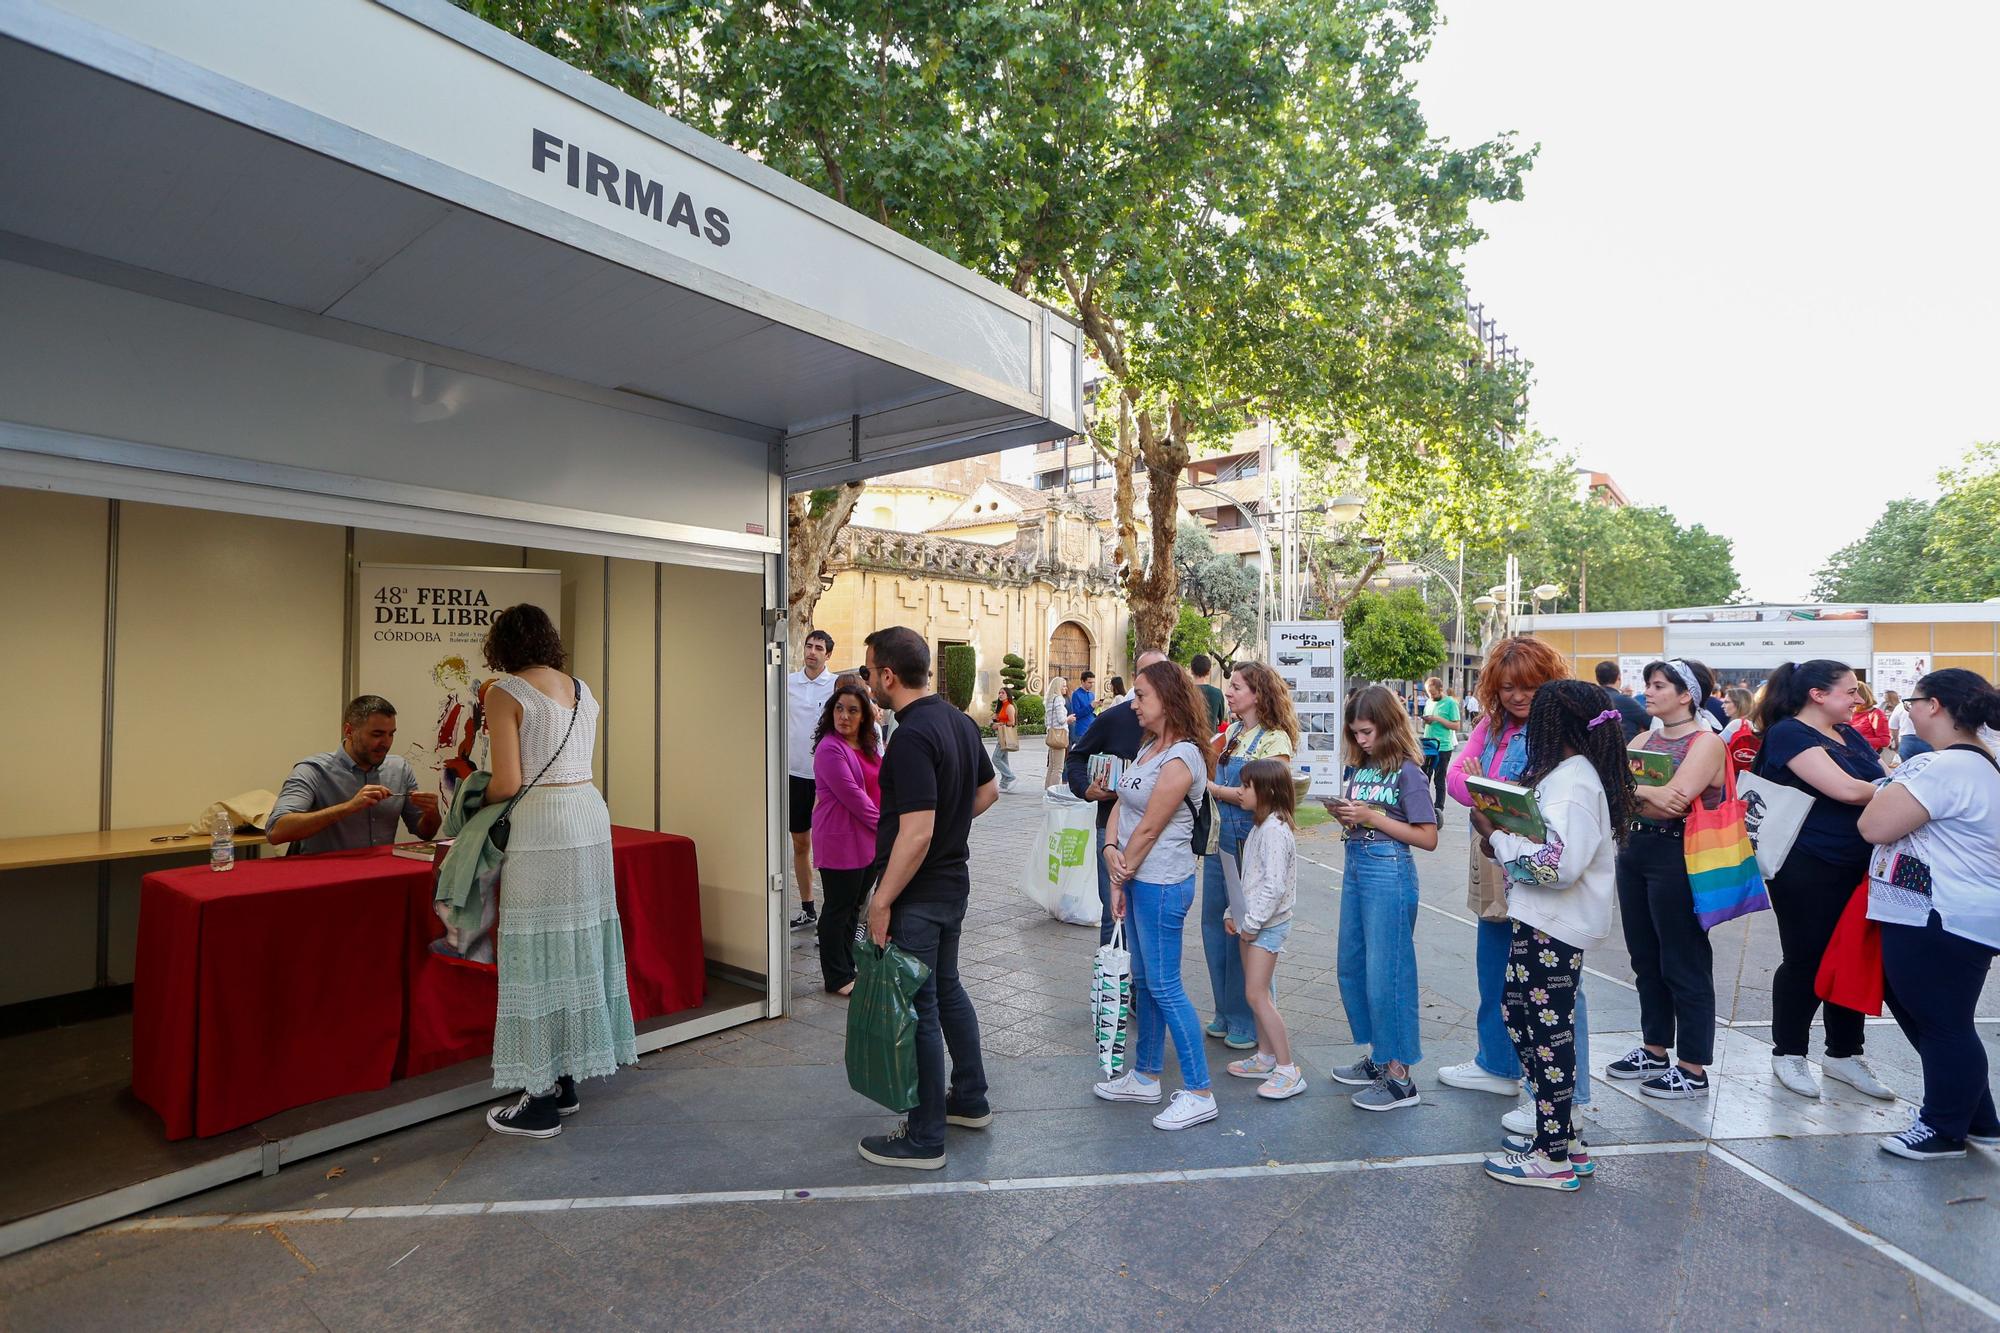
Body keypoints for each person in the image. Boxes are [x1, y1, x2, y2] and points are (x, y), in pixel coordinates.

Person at [477, 604, 635, 1138]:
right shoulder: (584, 690)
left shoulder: (504, 693)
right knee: (576, 942)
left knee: (537, 950)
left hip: (542, 823)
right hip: (589, 814)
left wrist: (470, 801)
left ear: (502, 646)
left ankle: (540, 1097)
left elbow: (505, 782)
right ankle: (566, 1080)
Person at [1474, 680, 1634, 1190]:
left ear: (1553, 726)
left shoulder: (1574, 783)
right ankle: (1563, 1138)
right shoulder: (1569, 776)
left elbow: (1556, 866)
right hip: (1542, 920)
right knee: (1520, 1015)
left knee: (1546, 1033)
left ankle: (1552, 1156)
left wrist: (1496, 836)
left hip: (1555, 926)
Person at [858, 627, 998, 1169]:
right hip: (951, 882)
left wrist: (881, 900)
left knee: (921, 1009)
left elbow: (914, 833)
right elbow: (987, 791)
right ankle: (970, 1098)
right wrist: (946, 830)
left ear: (888, 676)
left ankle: (925, 1135)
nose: (868, 681)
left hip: (918, 892)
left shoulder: (913, 735)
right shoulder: (959, 721)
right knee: (946, 990)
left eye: (869, 671)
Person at [1442, 637, 1595, 1127]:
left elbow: (1545, 798)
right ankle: (1499, 1064)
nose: (1518, 696)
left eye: (1530, 685)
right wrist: (1495, 800)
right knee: (1496, 967)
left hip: (1542, 863)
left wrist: (1486, 791)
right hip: (1492, 854)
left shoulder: (1561, 731)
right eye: (1508, 687)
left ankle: (1564, 1099)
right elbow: (1454, 780)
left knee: (1553, 985)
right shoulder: (1492, 725)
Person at [1859, 670, 2000, 1160]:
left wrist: (1887, 785)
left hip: (1938, 914)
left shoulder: (1940, 767)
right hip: (1936, 912)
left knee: (1943, 1023)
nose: (1910, 710)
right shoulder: (1978, 764)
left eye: (1915, 701)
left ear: (1935, 705)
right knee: (1937, 1018)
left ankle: (1943, 1128)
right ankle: (1978, 1119)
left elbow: (1874, 825)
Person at [1751, 659, 1896, 1101]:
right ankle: (1789, 1052)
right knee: (1807, 957)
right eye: (1850, 690)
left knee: (1853, 955)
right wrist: (1917, 785)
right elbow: (1849, 789)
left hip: (1857, 862)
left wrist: (1902, 782)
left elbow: (1881, 778)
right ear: (1817, 694)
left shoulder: (1848, 733)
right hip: (1806, 864)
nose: (1858, 698)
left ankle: (1844, 1054)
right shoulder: (1790, 733)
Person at [1092, 660, 1221, 1130]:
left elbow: (1148, 829)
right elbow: (1122, 806)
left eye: (1142, 695)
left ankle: (1199, 1089)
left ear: (1167, 699)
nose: (1134, 703)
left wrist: (1119, 874)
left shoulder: (1184, 757)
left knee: (1165, 985)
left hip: (1164, 882)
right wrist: (1110, 852)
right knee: (1144, 982)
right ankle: (1145, 1077)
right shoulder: (1148, 748)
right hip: (1138, 877)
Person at [1608, 659, 1727, 1099]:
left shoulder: (1706, 742)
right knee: (1645, 957)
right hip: (1635, 850)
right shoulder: (1644, 737)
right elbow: (1616, 792)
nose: (1649, 693)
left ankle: (1693, 1067)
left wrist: (1630, 792)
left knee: (1684, 959)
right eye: (1648, 685)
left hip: (1679, 853)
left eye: (1659, 686)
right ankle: (1654, 1048)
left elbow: (1674, 804)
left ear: (1686, 695)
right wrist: (1641, 794)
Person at [1324, 684, 1439, 1112]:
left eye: (1368, 731)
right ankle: (1379, 1055)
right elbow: (1368, 816)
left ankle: (1400, 1075)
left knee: (1388, 973)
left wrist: (1372, 817)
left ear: (1389, 727)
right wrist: (1348, 814)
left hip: (1388, 868)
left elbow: (1427, 838)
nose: (1361, 740)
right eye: (1355, 733)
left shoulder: (1408, 772)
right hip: (1358, 862)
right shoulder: (1364, 766)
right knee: (1352, 965)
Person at [1202, 662, 1300, 1049]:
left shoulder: (1276, 740)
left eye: (1237, 687)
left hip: (1250, 844)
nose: (1229, 692)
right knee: (1216, 929)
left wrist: (1213, 788)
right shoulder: (1230, 734)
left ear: (1258, 694)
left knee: (1250, 931)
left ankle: (1250, 1021)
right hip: (1220, 841)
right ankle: (1225, 1011)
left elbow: (1265, 795)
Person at [1067, 651, 1170, 945]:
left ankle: (1140, 986)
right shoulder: (1114, 718)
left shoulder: (1180, 732)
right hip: (1112, 831)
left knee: (1148, 919)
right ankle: (1113, 988)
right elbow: (1076, 757)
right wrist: (1087, 789)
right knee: (1114, 914)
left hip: (1160, 839)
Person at [1223, 757, 1305, 1100]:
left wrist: (1252, 923)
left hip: (1265, 925)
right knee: (1258, 993)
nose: (1240, 792)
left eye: (1246, 786)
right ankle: (1266, 1057)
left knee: (1257, 995)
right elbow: (1251, 880)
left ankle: (1287, 1069)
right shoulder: (1262, 826)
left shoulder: (1273, 830)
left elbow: (1272, 887)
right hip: (1254, 922)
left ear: (1266, 791)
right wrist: (1235, 910)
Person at [266, 695, 441, 853]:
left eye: (391, 734)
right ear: (349, 731)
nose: (386, 743)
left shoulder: (400, 768)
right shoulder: (313, 770)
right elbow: (276, 831)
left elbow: (425, 833)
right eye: (377, 734)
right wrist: (348, 807)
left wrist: (432, 813)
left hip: (382, 877)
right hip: (327, 880)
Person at [811, 681, 881, 996]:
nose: (844, 716)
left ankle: (848, 967)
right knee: (838, 908)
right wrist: (888, 828)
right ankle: (836, 976)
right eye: (839, 709)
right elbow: (853, 797)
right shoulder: (829, 748)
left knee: (854, 907)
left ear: (864, 715)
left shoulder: (867, 745)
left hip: (867, 839)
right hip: (840, 839)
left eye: (853, 710)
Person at [787, 629, 838, 931]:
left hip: (825, 779)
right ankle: (808, 908)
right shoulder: (787, 682)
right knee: (800, 843)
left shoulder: (835, 686)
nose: (812, 651)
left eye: (819, 647)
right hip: (794, 775)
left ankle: (832, 915)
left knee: (826, 846)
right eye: (809, 646)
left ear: (828, 655)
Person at [1420, 676, 1464, 809]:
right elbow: (1425, 724)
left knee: (1439, 779)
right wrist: (1426, 721)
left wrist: (1438, 719)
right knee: (1423, 777)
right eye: (1429, 694)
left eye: (1433, 693)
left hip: (1443, 746)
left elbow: (1456, 726)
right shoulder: (1428, 702)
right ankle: (1423, 805)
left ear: (1440, 690)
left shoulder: (1450, 703)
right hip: (1428, 745)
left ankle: (1439, 807)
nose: (1431, 696)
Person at [1594, 660, 1649, 742]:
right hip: (1624, 748)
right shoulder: (1625, 700)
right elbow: (1649, 721)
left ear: (1597, 678)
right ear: (1619, 677)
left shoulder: (1592, 698)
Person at [1043, 675, 1070, 789]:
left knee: (1052, 766)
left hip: (1052, 734)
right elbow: (1061, 719)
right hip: (1059, 735)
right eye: (1063, 686)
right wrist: (1069, 719)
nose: (1066, 688)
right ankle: (1053, 791)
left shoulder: (1050, 699)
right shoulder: (1059, 699)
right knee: (1058, 768)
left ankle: (1047, 789)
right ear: (1058, 687)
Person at [1851, 680, 1892, 756]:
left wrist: (1858, 740)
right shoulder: (1848, 712)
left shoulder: (1875, 714)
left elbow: (1885, 741)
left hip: (1866, 757)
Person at [989, 687, 1019, 793]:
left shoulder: (1009, 707)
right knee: (1004, 759)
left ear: (1008, 695)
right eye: (999, 692)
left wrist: (999, 724)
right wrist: (994, 720)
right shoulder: (1001, 706)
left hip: (1005, 736)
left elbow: (1012, 722)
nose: (1000, 694)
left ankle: (1011, 777)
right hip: (1001, 735)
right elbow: (996, 718)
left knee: (996, 758)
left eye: (1003, 693)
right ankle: (1004, 784)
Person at [1890, 690, 1933, 762]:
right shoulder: (1930, 705)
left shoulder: (1900, 706)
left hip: (1907, 740)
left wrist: (1896, 743)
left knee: (1908, 769)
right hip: (1928, 739)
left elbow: (1893, 726)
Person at [1192, 653, 1228, 730]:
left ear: (1192, 671)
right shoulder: (1217, 693)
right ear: (1208, 672)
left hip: (1187, 738)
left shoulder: (1184, 692)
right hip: (1210, 738)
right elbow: (1221, 719)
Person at [1068, 671, 1099, 743]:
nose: (1092, 685)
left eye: (1093, 682)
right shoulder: (1076, 694)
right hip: (1081, 731)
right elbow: (1076, 714)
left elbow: (1092, 712)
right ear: (1082, 681)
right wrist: (1090, 706)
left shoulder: (1092, 694)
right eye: (1089, 682)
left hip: (1092, 729)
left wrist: (1097, 708)